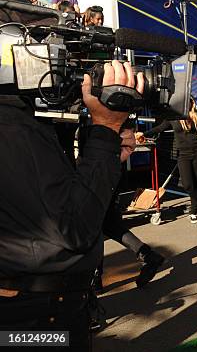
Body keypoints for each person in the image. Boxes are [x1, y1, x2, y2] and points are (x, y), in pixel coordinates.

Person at [0, 60, 145, 351]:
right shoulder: (13, 126)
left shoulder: (23, 120)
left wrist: (104, 153)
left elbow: (62, 199)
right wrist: (106, 128)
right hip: (29, 322)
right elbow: (74, 227)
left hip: (44, 310)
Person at [136, 98, 197, 223]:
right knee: (187, 184)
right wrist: (144, 133)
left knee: (196, 182)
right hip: (183, 155)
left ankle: (193, 211)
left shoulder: (196, 114)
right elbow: (159, 128)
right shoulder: (172, 117)